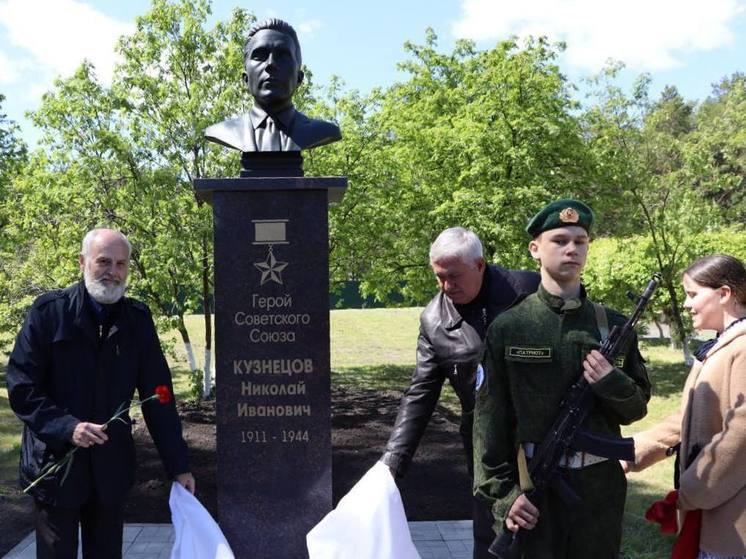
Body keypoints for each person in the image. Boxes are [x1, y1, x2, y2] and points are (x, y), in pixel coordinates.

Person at [473, 199, 651, 558]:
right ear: (535, 249)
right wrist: (505, 497)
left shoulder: (613, 325)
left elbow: (636, 408)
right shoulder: (510, 327)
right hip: (535, 488)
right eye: (559, 240)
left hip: (599, 492)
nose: (572, 248)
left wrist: (609, 381)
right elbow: (489, 424)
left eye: (580, 240)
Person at [6, 228, 195, 558]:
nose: (113, 271)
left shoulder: (137, 320)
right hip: (55, 467)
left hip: (110, 471)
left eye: (121, 264)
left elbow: (160, 395)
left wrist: (178, 466)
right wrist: (68, 427)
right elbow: (22, 387)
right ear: (82, 262)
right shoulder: (48, 314)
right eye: (104, 261)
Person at [380, 226, 540, 558]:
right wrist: (392, 464)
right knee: (490, 541)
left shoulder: (529, 291)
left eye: (454, 276)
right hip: (486, 452)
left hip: (543, 440)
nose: (446, 286)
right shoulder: (434, 320)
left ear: (480, 265)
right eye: (439, 277)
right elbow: (419, 394)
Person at [625, 254, 746, 559]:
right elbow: (688, 416)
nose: (686, 305)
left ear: (724, 294)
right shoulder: (723, 345)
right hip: (715, 514)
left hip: (735, 526)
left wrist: (692, 490)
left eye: (693, 294)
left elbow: (741, 434)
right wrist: (631, 452)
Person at [204, 18, 341, 152]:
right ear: (246, 79)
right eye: (260, 56)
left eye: (282, 56)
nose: (271, 64)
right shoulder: (224, 131)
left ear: (299, 78)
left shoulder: (322, 131)